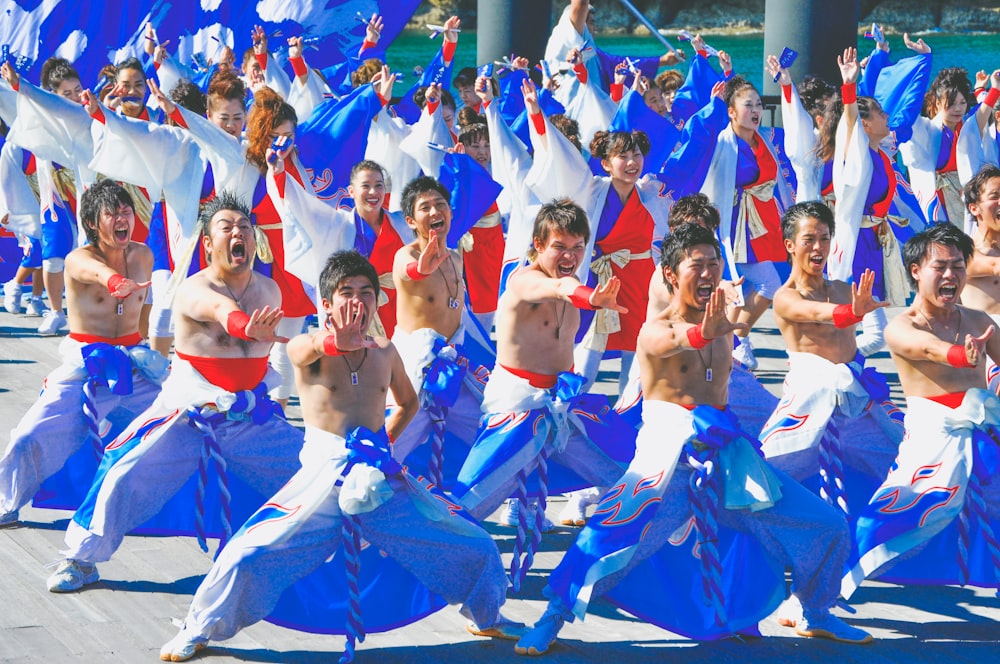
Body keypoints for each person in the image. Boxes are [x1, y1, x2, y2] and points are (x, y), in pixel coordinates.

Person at [514, 223, 872, 655]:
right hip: (668, 463)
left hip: (730, 462)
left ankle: (816, 612)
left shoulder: (723, 322)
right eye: (696, 265)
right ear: (670, 275)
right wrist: (712, 329)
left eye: (713, 264)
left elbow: (768, 311)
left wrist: (845, 314)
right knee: (609, 537)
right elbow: (681, 339)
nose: (707, 273)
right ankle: (552, 617)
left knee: (827, 526)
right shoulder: (655, 331)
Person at [159, 251, 522, 663]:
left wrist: (380, 444)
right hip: (320, 478)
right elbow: (305, 348)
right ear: (326, 304)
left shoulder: (384, 350)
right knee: (245, 554)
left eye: (366, 293)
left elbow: (408, 403)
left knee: (474, 544)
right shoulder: (307, 346)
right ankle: (199, 627)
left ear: (377, 301)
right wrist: (334, 340)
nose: (357, 302)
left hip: (378, 474)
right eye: (346, 292)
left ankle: (487, 614)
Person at [44, 192, 303, 592]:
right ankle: (79, 559)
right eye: (227, 227)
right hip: (186, 417)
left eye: (245, 228)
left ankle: (341, 555)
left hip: (249, 418)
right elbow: (221, 311)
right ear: (208, 244)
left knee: (315, 475)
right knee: (120, 474)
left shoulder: (269, 290)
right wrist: (244, 327)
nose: (238, 234)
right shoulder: (195, 288)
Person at [452, 199, 635, 588]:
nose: (569, 255)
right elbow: (557, 285)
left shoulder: (577, 290)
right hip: (518, 408)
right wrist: (588, 297)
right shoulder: (523, 281)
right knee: (470, 501)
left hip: (563, 406)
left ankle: (627, 569)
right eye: (559, 246)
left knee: (634, 480)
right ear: (537, 245)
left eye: (576, 247)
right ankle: (434, 566)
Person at [843, 223, 1000, 598]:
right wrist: (962, 354)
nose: (951, 275)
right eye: (940, 266)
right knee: (887, 522)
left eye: (958, 266)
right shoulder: (902, 326)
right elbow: (928, 348)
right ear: (916, 271)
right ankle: (820, 592)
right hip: (932, 440)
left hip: (983, 430)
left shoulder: (979, 321)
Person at [0, 180, 165, 527]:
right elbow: (96, 272)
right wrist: (115, 281)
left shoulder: (143, 255)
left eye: (126, 212)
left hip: (135, 365)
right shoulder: (79, 259)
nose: (123, 219)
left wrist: (147, 348)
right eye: (112, 214)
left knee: (190, 424)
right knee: (29, 435)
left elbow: (145, 306)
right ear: (92, 222)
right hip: (87, 365)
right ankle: (6, 501)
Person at [760, 202, 902, 522]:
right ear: (790, 245)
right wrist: (852, 312)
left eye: (825, 238)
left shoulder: (842, 288)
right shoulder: (786, 297)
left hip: (856, 406)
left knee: (910, 462)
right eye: (809, 239)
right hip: (807, 406)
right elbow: (818, 314)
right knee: (761, 480)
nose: (818, 247)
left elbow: (861, 335)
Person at [386, 176, 489, 484]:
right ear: (410, 220)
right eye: (425, 207)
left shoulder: (456, 258)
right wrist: (422, 268)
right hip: (413, 371)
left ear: (451, 212)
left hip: (453, 367)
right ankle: (357, 511)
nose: (434, 212)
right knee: (390, 443)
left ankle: (505, 497)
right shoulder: (406, 255)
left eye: (440, 205)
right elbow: (409, 272)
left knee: (497, 428)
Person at [958, 164, 1000, 391]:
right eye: (995, 196)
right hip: (985, 342)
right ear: (974, 208)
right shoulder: (964, 253)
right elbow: (995, 266)